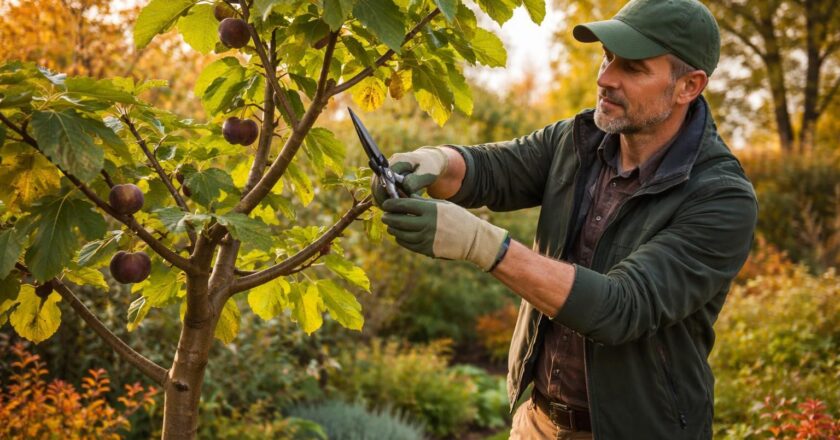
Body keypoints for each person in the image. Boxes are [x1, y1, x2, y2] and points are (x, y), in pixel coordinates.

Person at [371, 0, 758, 438]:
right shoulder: (578, 140)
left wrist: (482, 245)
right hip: (538, 422)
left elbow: (622, 307)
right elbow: (491, 171)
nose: (605, 78)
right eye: (607, 57)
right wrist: (433, 161)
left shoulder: (720, 197)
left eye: (632, 67)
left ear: (689, 85)